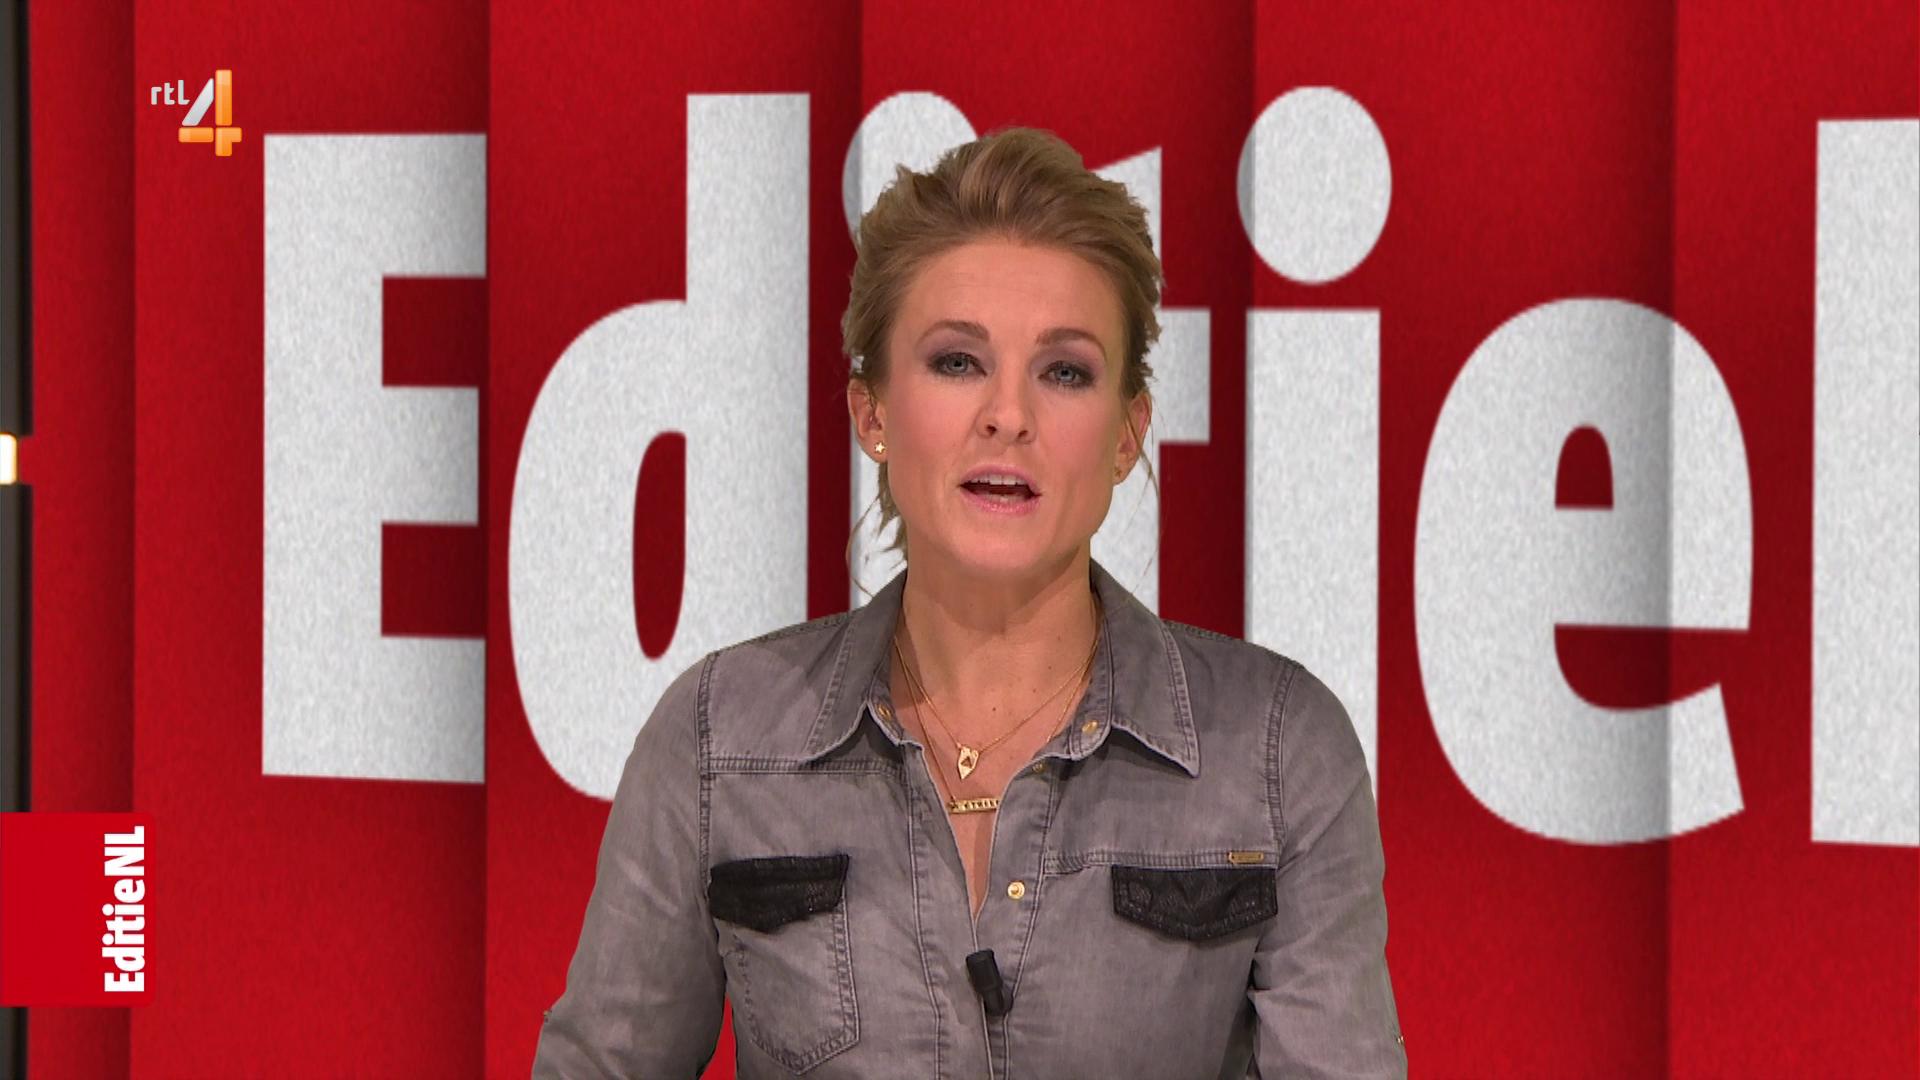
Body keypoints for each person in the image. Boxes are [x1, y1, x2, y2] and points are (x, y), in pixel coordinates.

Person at [532, 126, 1406, 1078]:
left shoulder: (1278, 750)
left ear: (1127, 434)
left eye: (1064, 371)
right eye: (957, 362)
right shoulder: (718, 738)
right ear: (872, 412)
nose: (1009, 416)